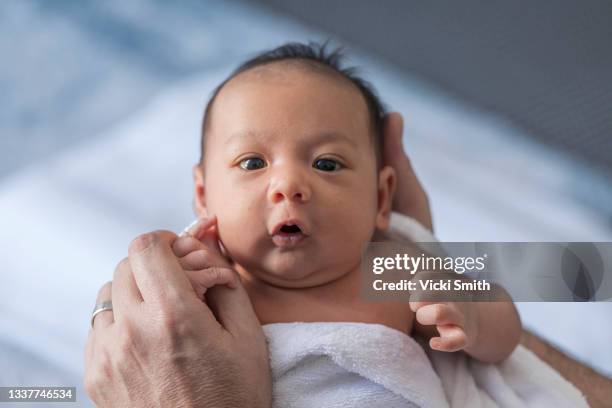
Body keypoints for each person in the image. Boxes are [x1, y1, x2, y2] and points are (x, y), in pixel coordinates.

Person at [85, 43, 612, 407]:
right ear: (203, 195)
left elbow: (505, 336)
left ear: (381, 199)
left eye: (328, 163)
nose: (288, 185)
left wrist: (470, 315)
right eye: (252, 163)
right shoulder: (209, 282)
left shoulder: (391, 265)